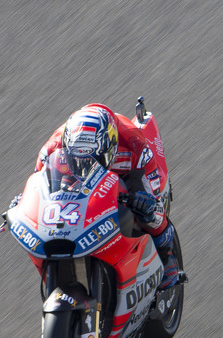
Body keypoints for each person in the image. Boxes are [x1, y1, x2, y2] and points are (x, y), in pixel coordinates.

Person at [23, 102, 186, 289]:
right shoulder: (51, 148)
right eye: (77, 158)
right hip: (75, 180)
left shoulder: (136, 146)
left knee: (151, 210)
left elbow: (154, 196)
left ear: (109, 147)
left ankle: (167, 258)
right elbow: (40, 185)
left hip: (129, 176)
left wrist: (146, 203)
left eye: (92, 159)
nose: (85, 165)